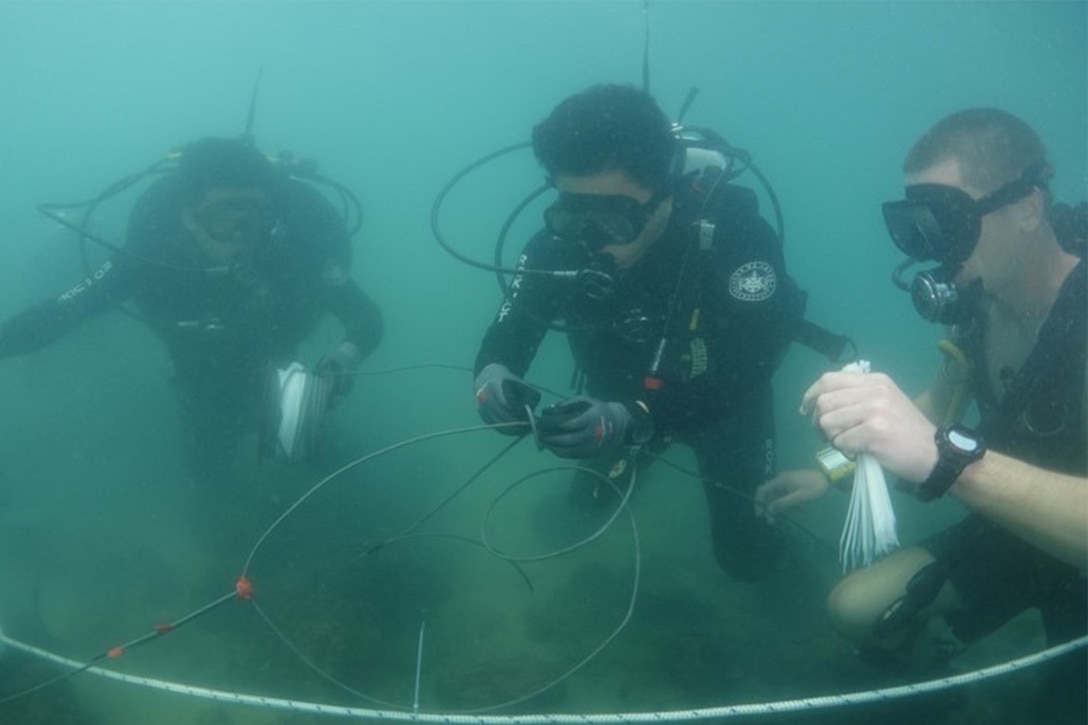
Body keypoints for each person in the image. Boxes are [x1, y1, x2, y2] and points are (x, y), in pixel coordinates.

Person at [755, 108, 1086, 718]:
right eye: (916, 227)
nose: (931, 251)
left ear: (1028, 207)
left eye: (947, 221)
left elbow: (938, 445)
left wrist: (949, 462)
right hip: (1013, 524)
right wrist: (827, 472)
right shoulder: (979, 302)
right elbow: (937, 404)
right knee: (855, 610)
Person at [473, 84, 806, 582]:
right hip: (612, 410)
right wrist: (493, 375)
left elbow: (755, 361)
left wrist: (639, 415)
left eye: (614, 215)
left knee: (748, 559)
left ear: (665, 191)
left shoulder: (736, 238)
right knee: (584, 509)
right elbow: (511, 327)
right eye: (572, 210)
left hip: (726, 413)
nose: (590, 237)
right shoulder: (557, 244)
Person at [0, 137, 384, 477]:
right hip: (199, 381)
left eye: (254, 210)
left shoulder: (293, 249)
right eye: (226, 210)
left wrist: (347, 352)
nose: (243, 227)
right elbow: (65, 311)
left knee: (322, 465)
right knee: (208, 470)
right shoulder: (152, 253)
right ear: (188, 216)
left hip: (279, 368)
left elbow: (364, 317)